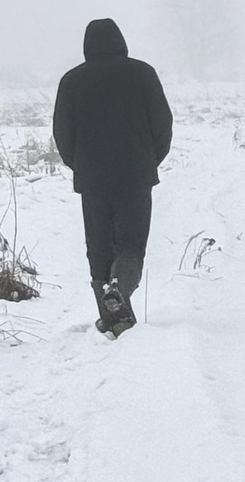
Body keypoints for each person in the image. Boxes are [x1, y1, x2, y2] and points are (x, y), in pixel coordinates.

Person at [53, 18, 173, 336]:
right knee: (131, 243)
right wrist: (149, 159)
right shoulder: (142, 73)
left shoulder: (72, 81)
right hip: (135, 173)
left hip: (92, 177)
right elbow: (162, 124)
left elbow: (62, 134)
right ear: (120, 41)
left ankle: (111, 316)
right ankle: (119, 290)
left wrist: (79, 164)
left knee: (99, 247)